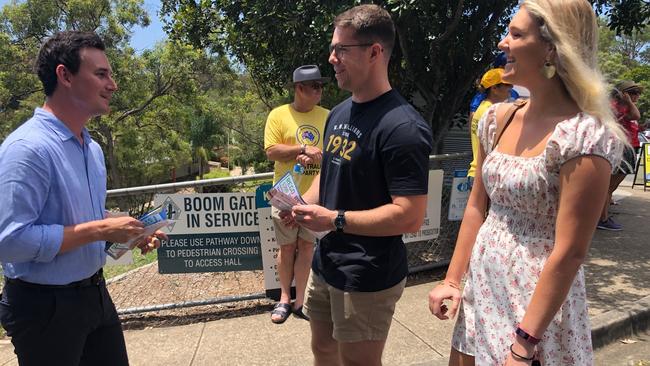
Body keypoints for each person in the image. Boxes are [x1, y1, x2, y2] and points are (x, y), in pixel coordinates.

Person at [428, 1, 626, 365]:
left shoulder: (584, 137)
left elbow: (569, 252)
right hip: (484, 286)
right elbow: (477, 207)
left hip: (535, 307)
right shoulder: (497, 119)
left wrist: (524, 343)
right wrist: (453, 281)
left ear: (552, 48)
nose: (503, 43)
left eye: (516, 34)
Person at [0, 31, 165, 365]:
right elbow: (9, 241)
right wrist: (101, 229)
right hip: (44, 308)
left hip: (96, 295)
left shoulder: (92, 149)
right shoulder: (26, 150)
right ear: (65, 76)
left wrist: (127, 234)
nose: (113, 84)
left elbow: (82, 220)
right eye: (101, 74)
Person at [288, 4, 432, 365]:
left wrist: (334, 219)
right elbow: (330, 172)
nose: (331, 57)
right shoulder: (339, 113)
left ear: (374, 52)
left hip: (367, 274)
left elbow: (409, 216)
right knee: (322, 348)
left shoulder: (403, 128)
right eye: (333, 48)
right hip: (327, 261)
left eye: (341, 49)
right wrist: (303, 203)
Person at [264, 65, 329, 324]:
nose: (320, 91)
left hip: (315, 197)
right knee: (287, 247)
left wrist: (316, 154)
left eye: (321, 86)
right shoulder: (278, 115)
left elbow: (334, 154)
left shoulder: (328, 116)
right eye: (315, 86)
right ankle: (283, 298)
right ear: (299, 88)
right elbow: (271, 151)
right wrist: (300, 148)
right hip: (285, 197)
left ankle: (301, 300)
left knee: (307, 246)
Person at [597, 80, 644, 231]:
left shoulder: (624, 106)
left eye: (637, 93)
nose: (637, 95)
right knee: (608, 186)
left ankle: (603, 216)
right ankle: (602, 219)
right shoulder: (617, 106)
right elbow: (635, 115)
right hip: (620, 147)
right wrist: (629, 102)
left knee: (611, 186)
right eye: (633, 92)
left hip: (628, 147)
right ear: (623, 94)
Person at [467, 68, 513, 181]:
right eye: (507, 84)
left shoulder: (481, 108)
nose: (511, 88)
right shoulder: (492, 112)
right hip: (485, 175)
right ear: (494, 88)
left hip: (477, 172)